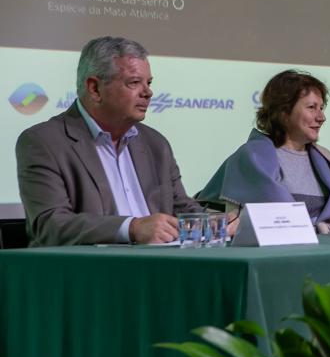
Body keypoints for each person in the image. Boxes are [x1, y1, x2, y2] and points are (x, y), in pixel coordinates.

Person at [15, 36, 202, 246]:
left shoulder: (155, 143)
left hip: (162, 267)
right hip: (92, 271)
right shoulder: (44, 142)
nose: (148, 92)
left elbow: (184, 210)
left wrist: (225, 223)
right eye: (134, 82)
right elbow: (50, 226)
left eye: (148, 83)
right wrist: (131, 228)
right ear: (95, 88)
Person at [197, 70, 330, 234]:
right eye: (312, 107)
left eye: (321, 108)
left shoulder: (326, 158)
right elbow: (238, 225)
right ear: (284, 113)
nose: (321, 117)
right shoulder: (252, 157)